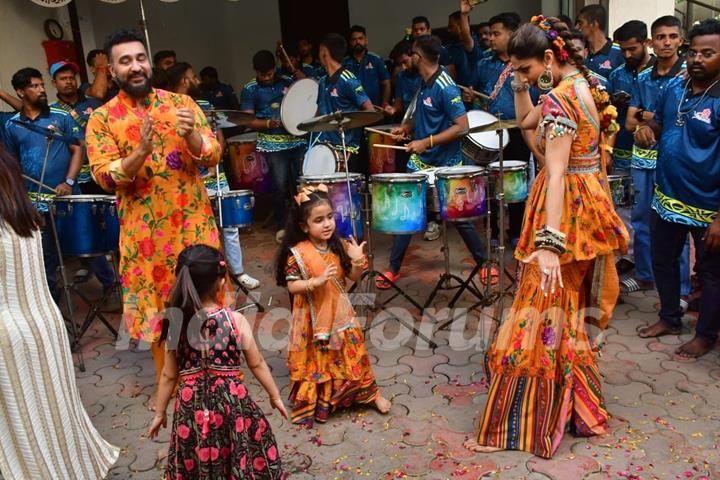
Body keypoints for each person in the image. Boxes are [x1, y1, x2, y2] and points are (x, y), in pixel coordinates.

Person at [465, 16, 629, 458]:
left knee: (537, 315)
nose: (520, 76)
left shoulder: (561, 101)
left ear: (550, 58)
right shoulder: (585, 86)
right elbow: (527, 126)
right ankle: (576, 404)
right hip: (587, 204)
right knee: (564, 312)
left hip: (565, 214)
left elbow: (553, 170)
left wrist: (550, 244)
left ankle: (521, 424)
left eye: (524, 69)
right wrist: (522, 87)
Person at [85, 28, 222, 388]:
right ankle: (172, 385)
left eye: (140, 58)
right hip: (145, 240)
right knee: (160, 314)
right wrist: (140, 153)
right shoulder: (101, 119)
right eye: (125, 61)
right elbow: (104, 176)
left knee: (205, 302)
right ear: (112, 71)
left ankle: (216, 378)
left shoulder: (183, 105)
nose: (135, 66)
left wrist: (192, 134)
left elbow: (213, 154)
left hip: (193, 228)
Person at [0, 142, 119, 478]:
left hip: (7, 338)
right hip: (43, 328)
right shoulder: (19, 210)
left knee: (19, 429)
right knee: (48, 415)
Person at [147, 244, 286, 478]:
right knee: (236, 452)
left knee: (197, 455)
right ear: (221, 283)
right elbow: (258, 363)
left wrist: (160, 412)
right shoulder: (236, 321)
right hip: (231, 405)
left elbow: (169, 375)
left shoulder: (176, 321)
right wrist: (275, 396)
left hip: (191, 409)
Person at [634, 19, 720, 358]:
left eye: (708, 53)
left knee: (711, 274)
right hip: (666, 198)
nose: (697, 59)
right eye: (694, 52)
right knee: (664, 261)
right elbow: (661, 121)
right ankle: (669, 317)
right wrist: (647, 129)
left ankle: (706, 335)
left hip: (708, 207)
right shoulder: (675, 88)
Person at [274, 185, 391, 425]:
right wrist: (314, 282)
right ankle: (324, 401)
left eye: (329, 217)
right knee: (320, 358)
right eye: (319, 220)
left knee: (355, 352)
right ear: (304, 227)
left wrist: (357, 261)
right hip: (311, 317)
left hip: (340, 312)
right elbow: (292, 286)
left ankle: (371, 394)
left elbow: (351, 279)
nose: (327, 224)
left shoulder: (338, 245)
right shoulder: (297, 253)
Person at [377, 35, 487, 289]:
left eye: (412, 53)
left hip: (447, 162)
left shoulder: (445, 86)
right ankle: (393, 268)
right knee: (406, 213)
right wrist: (406, 127)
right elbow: (426, 114)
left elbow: (462, 127)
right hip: (421, 161)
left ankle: (484, 263)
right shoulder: (424, 83)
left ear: (421, 57)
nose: (408, 58)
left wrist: (426, 142)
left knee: (461, 218)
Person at [167, 61, 260, 290]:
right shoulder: (167, 107)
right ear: (183, 80)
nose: (197, 80)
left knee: (229, 225)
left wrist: (215, 159)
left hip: (214, 174)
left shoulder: (206, 104)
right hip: (187, 181)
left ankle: (237, 273)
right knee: (192, 230)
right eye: (192, 76)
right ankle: (199, 279)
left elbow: (217, 133)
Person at [623, 16, 690, 296]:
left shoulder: (688, 74)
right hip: (642, 157)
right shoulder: (641, 77)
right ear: (652, 41)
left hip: (675, 159)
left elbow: (684, 120)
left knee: (677, 222)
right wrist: (643, 123)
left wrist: (647, 118)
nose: (667, 42)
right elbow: (628, 122)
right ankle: (644, 274)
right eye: (660, 37)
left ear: (681, 40)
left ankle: (683, 289)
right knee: (640, 219)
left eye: (672, 36)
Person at [3, 67, 82, 296]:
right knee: (45, 256)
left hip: (67, 195)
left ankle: (109, 287)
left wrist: (68, 181)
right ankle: (53, 304)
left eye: (41, 85)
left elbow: (78, 150)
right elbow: (12, 162)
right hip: (36, 201)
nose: (41, 90)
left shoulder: (61, 117)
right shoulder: (12, 125)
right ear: (20, 92)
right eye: (34, 86)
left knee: (84, 244)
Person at [465, 12, 537, 247]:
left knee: (516, 184)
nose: (491, 39)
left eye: (497, 34)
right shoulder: (484, 63)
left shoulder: (527, 63)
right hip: (490, 132)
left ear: (513, 33)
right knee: (491, 184)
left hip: (518, 131)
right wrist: (471, 97)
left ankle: (517, 231)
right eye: (491, 34)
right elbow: (476, 97)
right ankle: (494, 231)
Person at [49, 60, 119, 292]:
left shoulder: (93, 104)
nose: (68, 81)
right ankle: (99, 271)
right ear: (54, 83)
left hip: (103, 172)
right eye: (63, 78)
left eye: (71, 77)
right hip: (78, 179)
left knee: (114, 221)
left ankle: (121, 268)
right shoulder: (51, 112)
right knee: (86, 227)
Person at [241, 50, 308, 244]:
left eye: (270, 73)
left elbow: (308, 89)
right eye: (263, 75)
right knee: (279, 186)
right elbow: (247, 119)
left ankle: (304, 223)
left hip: (296, 139)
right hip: (272, 144)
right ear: (255, 71)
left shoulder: (287, 80)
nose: (268, 78)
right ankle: (281, 225)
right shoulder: (250, 89)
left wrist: (296, 73)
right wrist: (268, 124)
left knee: (301, 183)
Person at [316, 33, 374, 173]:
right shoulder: (323, 81)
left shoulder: (348, 79)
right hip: (326, 145)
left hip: (346, 147)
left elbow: (369, 110)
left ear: (324, 53)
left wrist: (348, 125)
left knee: (342, 192)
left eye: (319, 51)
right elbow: (320, 112)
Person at [608, 21, 654, 172]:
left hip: (651, 156)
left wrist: (639, 113)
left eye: (632, 49)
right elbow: (607, 116)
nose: (627, 55)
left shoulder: (659, 73)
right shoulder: (616, 75)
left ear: (646, 43)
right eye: (623, 50)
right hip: (619, 154)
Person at [343, 25, 391, 108]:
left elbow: (386, 84)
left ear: (366, 40)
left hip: (375, 109)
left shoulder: (376, 60)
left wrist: (384, 103)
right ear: (350, 42)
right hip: (352, 111)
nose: (357, 42)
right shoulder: (344, 63)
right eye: (354, 39)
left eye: (360, 38)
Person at [576, 4, 624, 76]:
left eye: (581, 23)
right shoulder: (579, 52)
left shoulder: (619, 53)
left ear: (594, 24)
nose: (577, 27)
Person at [448, 2, 482, 88]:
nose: (448, 30)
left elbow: (466, 38)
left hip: (474, 92)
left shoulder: (471, 43)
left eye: (451, 26)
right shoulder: (451, 47)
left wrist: (464, 14)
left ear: (460, 25)